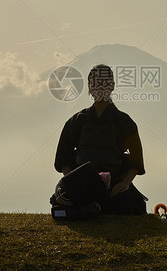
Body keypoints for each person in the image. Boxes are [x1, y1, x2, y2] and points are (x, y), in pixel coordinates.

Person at [51, 64, 147, 218]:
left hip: (114, 184)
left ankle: (89, 211)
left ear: (113, 86)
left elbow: (136, 161)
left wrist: (125, 184)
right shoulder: (77, 121)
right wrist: (71, 184)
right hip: (82, 183)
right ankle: (88, 210)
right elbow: (64, 158)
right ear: (89, 86)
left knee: (131, 204)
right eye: (96, 83)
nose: (100, 87)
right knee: (59, 207)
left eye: (105, 82)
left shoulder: (124, 121)